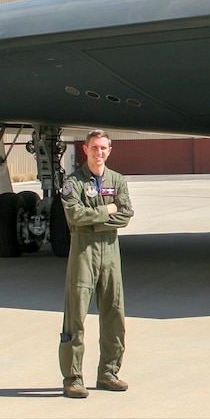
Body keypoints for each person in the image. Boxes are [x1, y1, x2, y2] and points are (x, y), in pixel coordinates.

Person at [58, 130, 135, 399]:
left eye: (103, 148)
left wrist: (96, 217)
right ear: (85, 149)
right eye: (94, 147)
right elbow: (74, 215)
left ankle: (108, 373)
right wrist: (106, 210)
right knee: (76, 317)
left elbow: (125, 215)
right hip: (83, 253)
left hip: (110, 253)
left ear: (109, 151)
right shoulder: (73, 182)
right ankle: (73, 378)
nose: (98, 152)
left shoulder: (117, 180)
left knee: (114, 314)